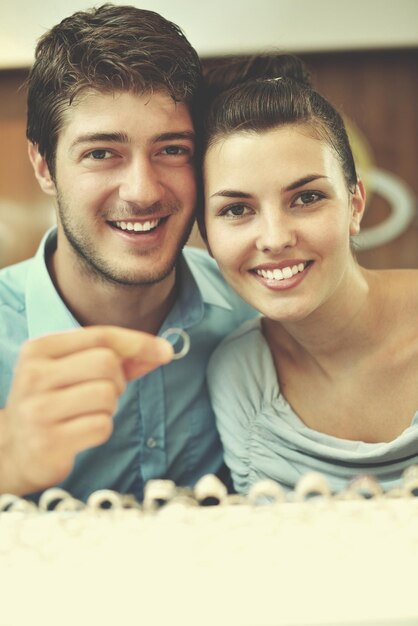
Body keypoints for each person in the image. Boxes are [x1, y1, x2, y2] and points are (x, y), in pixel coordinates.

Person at [0, 4, 255, 500]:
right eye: (101, 153)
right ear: (44, 165)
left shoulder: (256, 312)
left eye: (171, 149)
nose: (141, 191)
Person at [200, 53, 418, 495]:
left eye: (307, 198)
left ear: (355, 204)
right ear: (205, 233)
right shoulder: (239, 376)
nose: (275, 238)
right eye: (237, 210)